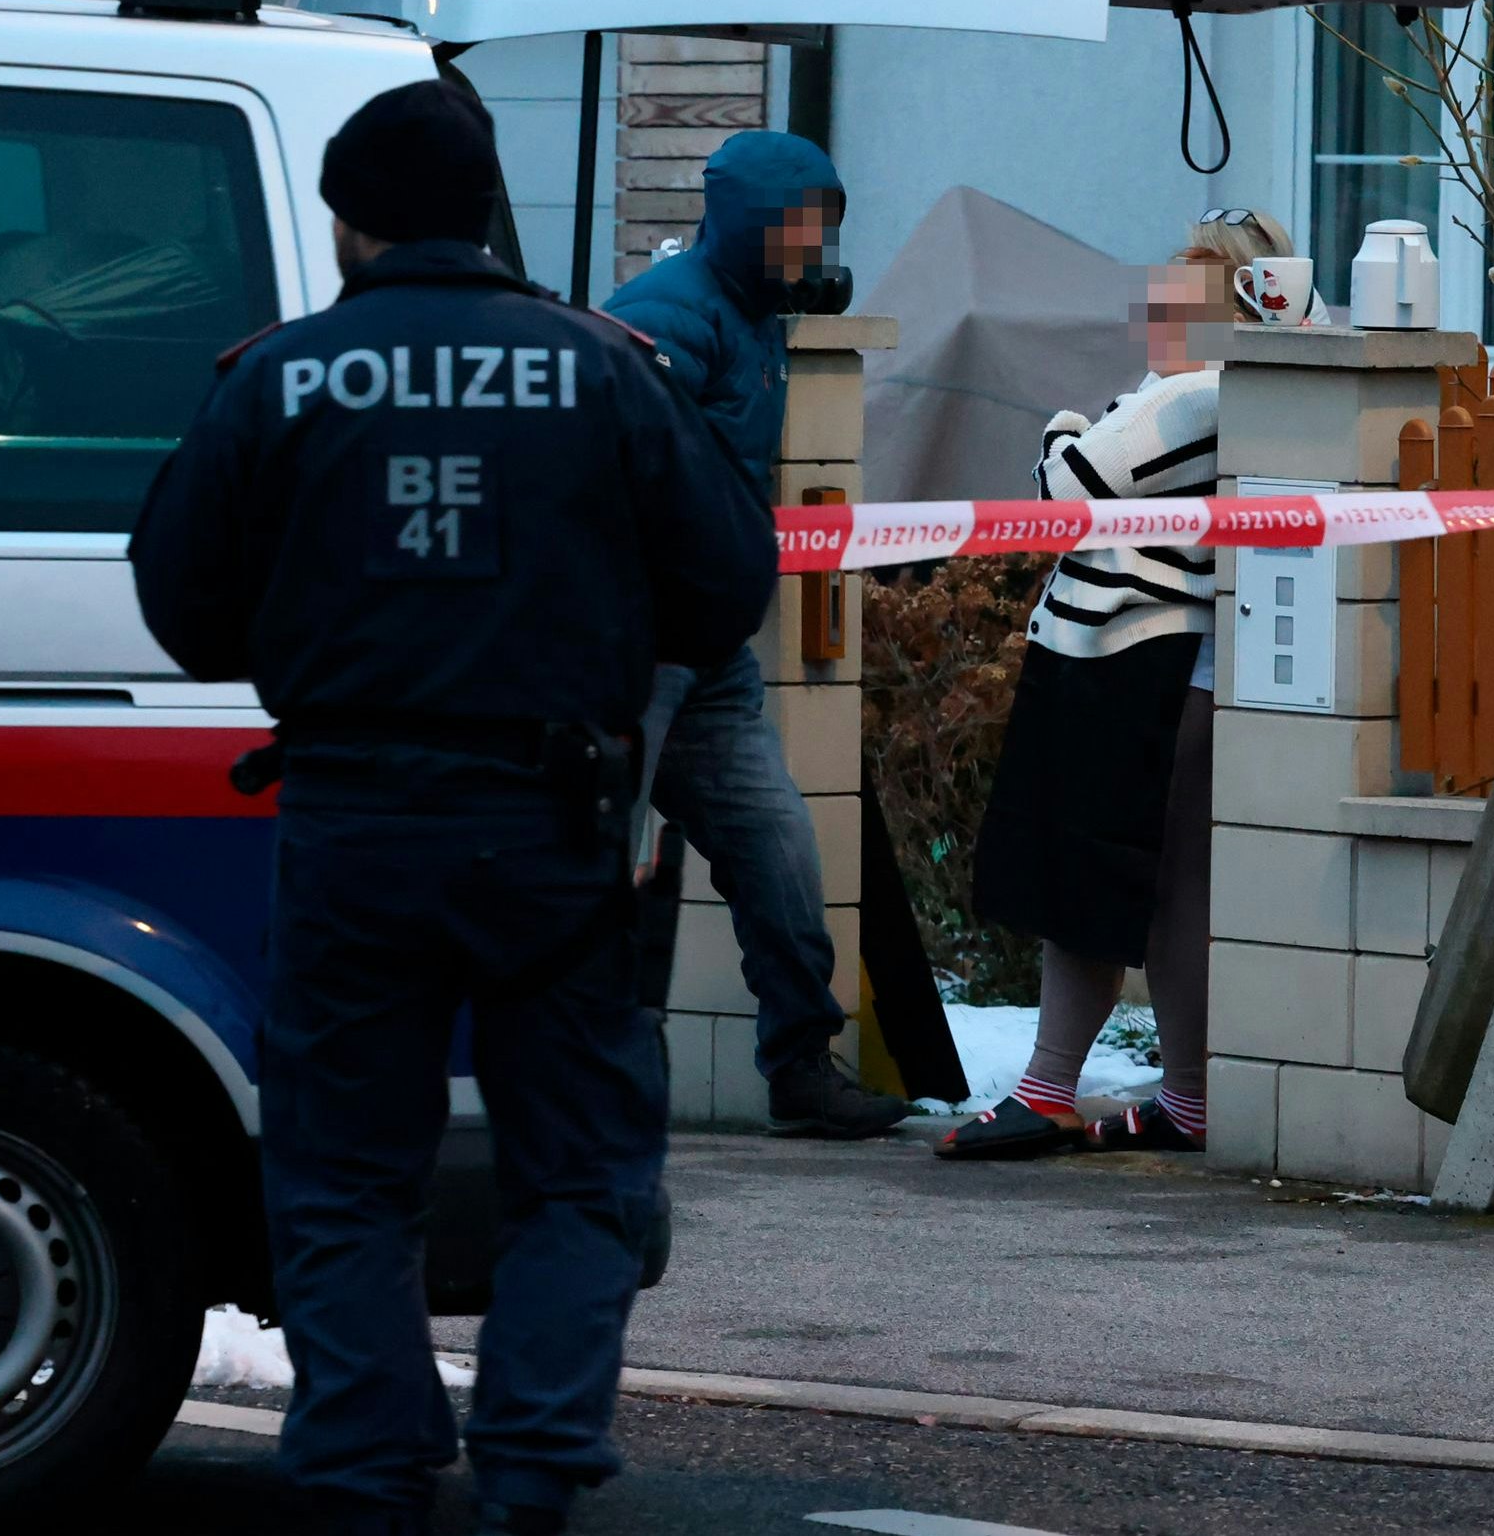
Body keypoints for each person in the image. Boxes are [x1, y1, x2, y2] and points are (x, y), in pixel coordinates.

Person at [130, 83, 778, 1536]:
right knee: (581, 1165)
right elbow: (728, 583)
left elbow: (182, 605)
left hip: (353, 822)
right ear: (488, 210)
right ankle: (534, 1464)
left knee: (344, 1173)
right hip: (553, 825)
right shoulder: (606, 369)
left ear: (347, 222)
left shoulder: (278, 377)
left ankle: (365, 1473)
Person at [934, 209, 1280, 1158]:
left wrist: (1063, 425)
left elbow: (1066, 493)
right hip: (1183, 662)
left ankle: (1046, 1090)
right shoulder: (1234, 390)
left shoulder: (1191, 396)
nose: (1157, 317)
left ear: (1230, 314)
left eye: (1180, 302)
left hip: (1130, 660)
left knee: (1086, 876)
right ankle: (1188, 1100)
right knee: (1173, 891)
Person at [602, 130, 905, 1138]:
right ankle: (578, 1077)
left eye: (824, 232)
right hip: (629, 653)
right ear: (744, 225)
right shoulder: (664, 318)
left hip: (711, 655)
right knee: (594, 867)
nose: (812, 252)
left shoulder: (754, 312)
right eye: (796, 230)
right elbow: (618, 464)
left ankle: (801, 1069)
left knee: (778, 849)